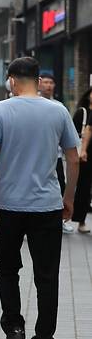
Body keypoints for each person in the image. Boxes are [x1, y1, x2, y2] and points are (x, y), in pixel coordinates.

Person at [0, 57, 79, 339]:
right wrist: (69, 197)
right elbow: (74, 159)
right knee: (46, 277)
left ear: (11, 79)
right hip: (47, 206)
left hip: (8, 205)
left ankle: (14, 329)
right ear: (38, 79)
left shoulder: (0, 110)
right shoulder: (58, 110)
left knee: (7, 269)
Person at [39, 73, 73, 235]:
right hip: (39, 156)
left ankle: (62, 219)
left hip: (56, 156)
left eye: (51, 82)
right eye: (45, 82)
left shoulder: (59, 106)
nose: (48, 85)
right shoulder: (34, 104)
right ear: (39, 83)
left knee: (60, 184)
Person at [71, 89, 92, 233]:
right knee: (84, 187)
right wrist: (82, 150)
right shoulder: (82, 112)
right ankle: (81, 220)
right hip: (86, 155)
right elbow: (77, 132)